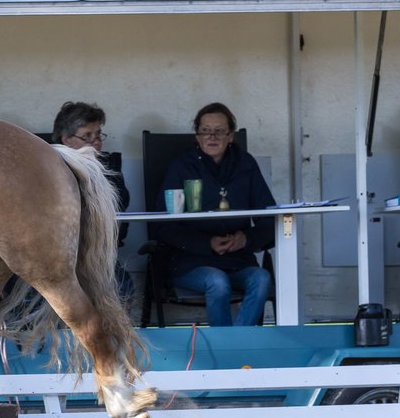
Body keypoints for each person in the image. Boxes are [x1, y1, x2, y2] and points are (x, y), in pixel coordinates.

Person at [154, 102, 275, 326]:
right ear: (197, 136)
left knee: (262, 278)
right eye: (206, 131)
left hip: (238, 259)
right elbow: (162, 225)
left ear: (231, 136)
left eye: (220, 131)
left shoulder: (246, 164)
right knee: (217, 282)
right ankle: (226, 347)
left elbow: (269, 220)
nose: (212, 137)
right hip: (191, 261)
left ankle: (236, 344)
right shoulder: (181, 167)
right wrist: (207, 243)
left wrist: (246, 239)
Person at [51, 101, 134, 300]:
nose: (96, 142)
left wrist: (96, 173)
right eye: (87, 136)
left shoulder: (108, 166)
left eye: (98, 135)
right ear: (66, 140)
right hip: (58, 254)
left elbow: (121, 203)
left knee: (123, 288)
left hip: (100, 253)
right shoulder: (49, 170)